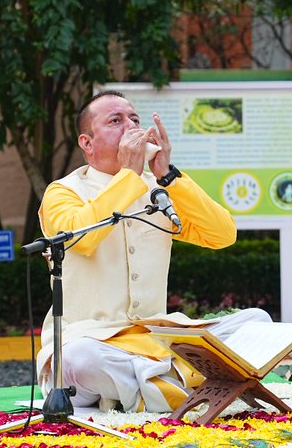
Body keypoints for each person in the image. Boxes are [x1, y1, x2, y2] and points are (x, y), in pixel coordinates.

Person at [35, 90, 270, 412]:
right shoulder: (63, 192)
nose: (131, 127)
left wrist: (168, 175)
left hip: (156, 337)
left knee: (257, 322)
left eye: (134, 119)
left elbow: (222, 235)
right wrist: (129, 175)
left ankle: (152, 387)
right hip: (92, 340)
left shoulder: (160, 188)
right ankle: (183, 386)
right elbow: (81, 239)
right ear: (86, 143)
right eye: (115, 121)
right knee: (77, 360)